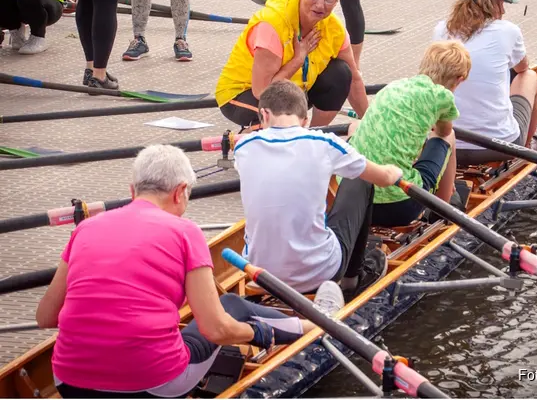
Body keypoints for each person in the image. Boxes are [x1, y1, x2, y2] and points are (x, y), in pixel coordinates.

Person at [35, 144, 344, 398]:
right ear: (180, 191)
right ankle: (318, 324)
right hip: (153, 384)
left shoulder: (85, 229)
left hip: (70, 383)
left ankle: (312, 321)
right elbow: (216, 330)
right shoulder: (185, 232)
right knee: (231, 305)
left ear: (132, 190)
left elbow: (46, 317)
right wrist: (261, 334)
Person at [233, 79, 403, 300]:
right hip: (321, 272)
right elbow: (384, 178)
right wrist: (395, 170)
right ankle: (353, 279)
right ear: (305, 121)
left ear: (264, 115)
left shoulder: (243, 146)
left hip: (258, 273)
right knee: (360, 181)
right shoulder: (324, 143)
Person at [215, 0, 368, 132]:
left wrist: (373, 123)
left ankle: (312, 136)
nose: (320, 5)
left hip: (291, 93)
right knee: (283, 115)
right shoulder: (272, 24)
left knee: (341, 73)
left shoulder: (334, 28)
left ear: (338, 0)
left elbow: (355, 80)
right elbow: (263, 91)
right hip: (243, 94)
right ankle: (254, 134)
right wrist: (298, 58)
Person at [347, 41, 471, 228]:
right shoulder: (442, 96)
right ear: (459, 79)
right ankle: (443, 210)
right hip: (399, 207)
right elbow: (443, 131)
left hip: (349, 200)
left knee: (356, 126)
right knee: (449, 136)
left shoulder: (394, 86)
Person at [433, 0, 537, 166]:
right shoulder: (508, 30)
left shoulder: (441, 30)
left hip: (445, 145)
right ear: (491, 5)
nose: (504, 11)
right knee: (530, 76)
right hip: (501, 146)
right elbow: (522, 67)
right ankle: (526, 149)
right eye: (502, 4)